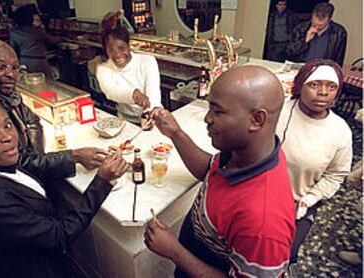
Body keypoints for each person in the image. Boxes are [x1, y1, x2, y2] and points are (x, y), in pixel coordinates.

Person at [0, 94, 129, 278]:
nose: (8, 137)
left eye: (7, 125)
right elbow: (60, 235)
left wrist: (75, 156)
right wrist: (102, 181)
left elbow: (27, 163)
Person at [144, 66, 296, 277]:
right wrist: (176, 133)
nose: (207, 118)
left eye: (218, 111)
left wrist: (175, 252)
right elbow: (210, 171)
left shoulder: (262, 223)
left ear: (257, 120)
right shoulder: (247, 154)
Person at [275, 59, 352, 262]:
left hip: (297, 205)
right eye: (314, 84)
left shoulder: (340, 131)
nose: (323, 92)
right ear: (300, 86)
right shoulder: (277, 112)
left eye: (331, 86)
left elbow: (336, 174)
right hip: (256, 195)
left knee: (282, 256)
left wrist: (310, 198)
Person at [96, 24, 162, 125]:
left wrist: (147, 114)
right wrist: (134, 94)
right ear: (106, 50)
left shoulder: (147, 61)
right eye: (111, 50)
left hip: (153, 116)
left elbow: (153, 93)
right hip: (125, 121)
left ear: (129, 45)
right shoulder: (103, 69)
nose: (117, 55)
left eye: (121, 48)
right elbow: (111, 92)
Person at [10, 4, 62, 79]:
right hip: (38, 62)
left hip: (24, 61)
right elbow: (52, 40)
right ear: (30, 18)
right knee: (47, 82)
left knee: (29, 83)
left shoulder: (13, 32)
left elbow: (14, 50)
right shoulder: (37, 31)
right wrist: (62, 38)